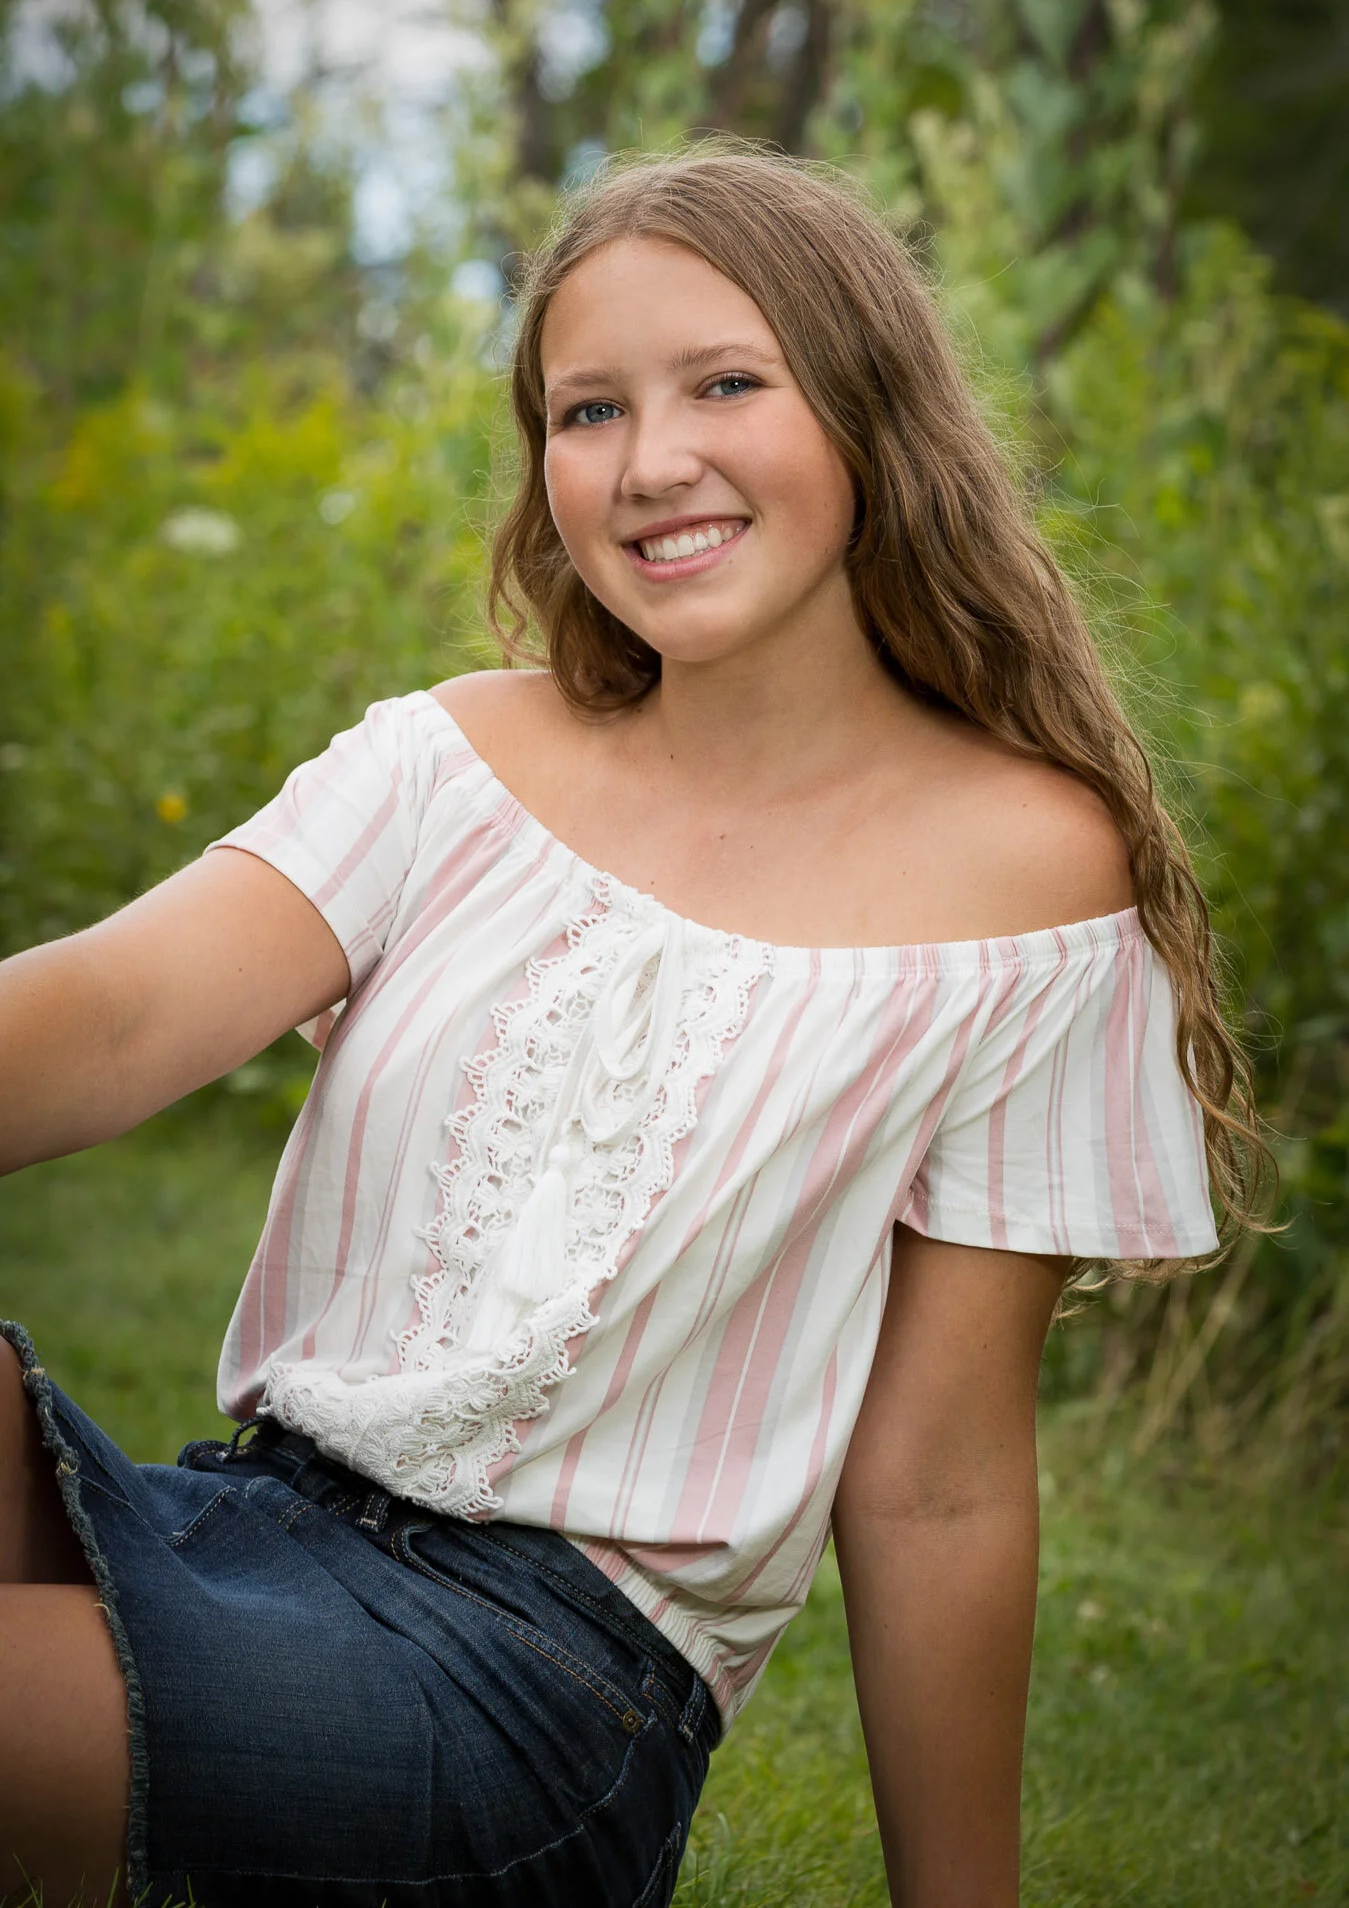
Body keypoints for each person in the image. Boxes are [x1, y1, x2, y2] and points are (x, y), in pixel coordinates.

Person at [0, 146, 1265, 1908]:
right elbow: (115, 1013)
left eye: (725, 384)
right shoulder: (453, 759)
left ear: (871, 414)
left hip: (535, 1690)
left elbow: (940, 1478)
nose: (651, 460)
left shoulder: (1026, 875)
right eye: (588, 409)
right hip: (251, 1524)